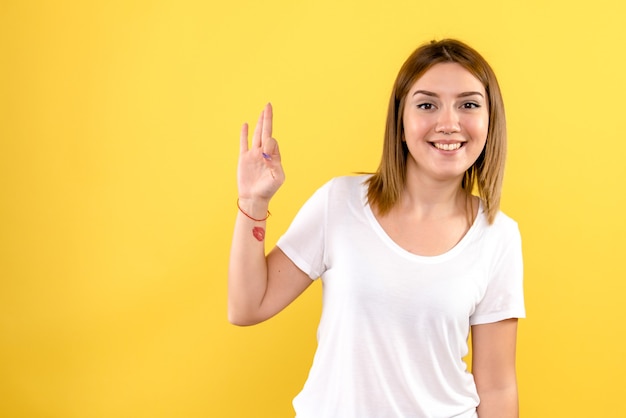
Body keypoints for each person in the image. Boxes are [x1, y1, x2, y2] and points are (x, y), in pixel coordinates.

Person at [228, 39, 525, 418]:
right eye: (427, 104)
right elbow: (246, 306)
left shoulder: (498, 235)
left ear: (489, 122)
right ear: (400, 123)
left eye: (468, 104)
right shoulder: (340, 202)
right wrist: (254, 204)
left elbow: (497, 387)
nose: (449, 123)